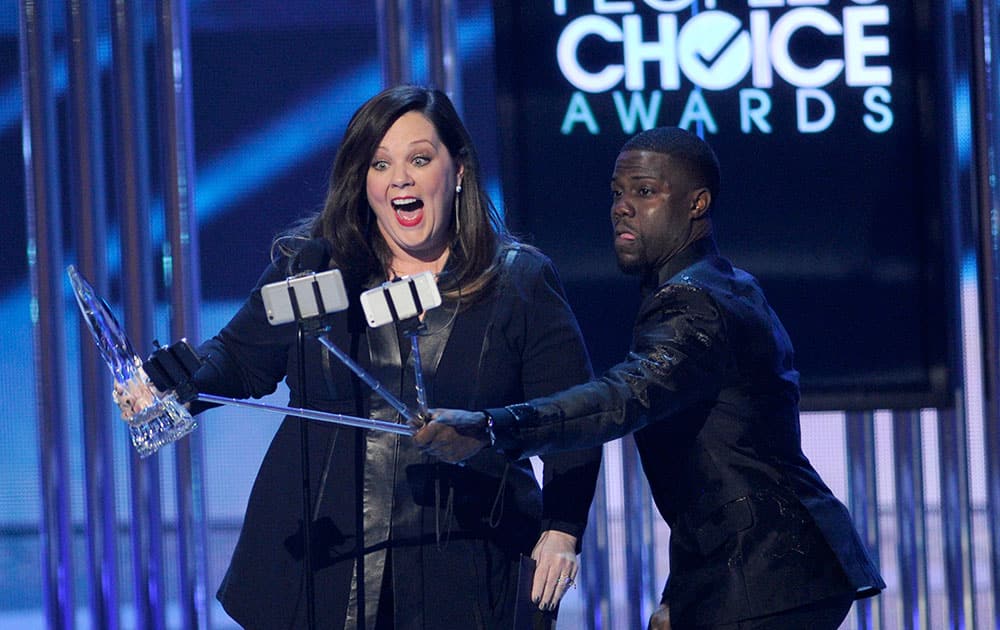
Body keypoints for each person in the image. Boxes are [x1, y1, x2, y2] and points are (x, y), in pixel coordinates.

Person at [120, 85, 601, 629]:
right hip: (325, 562)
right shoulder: (313, 269)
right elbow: (237, 358)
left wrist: (562, 527)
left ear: (459, 169)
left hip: (465, 565)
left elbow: (572, 417)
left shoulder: (518, 280)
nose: (401, 178)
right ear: (363, 180)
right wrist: (169, 386)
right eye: (380, 163)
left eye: (420, 159)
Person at [414, 126, 886, 629]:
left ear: (697, 204)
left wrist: (491, 427)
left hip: (768, 572)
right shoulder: (722, 285)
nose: (622, 206)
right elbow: (720, 467)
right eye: (617, 193)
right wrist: (682, 596)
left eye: (645, 192)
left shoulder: (695, 304)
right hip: (766, 568)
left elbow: (620, 400)